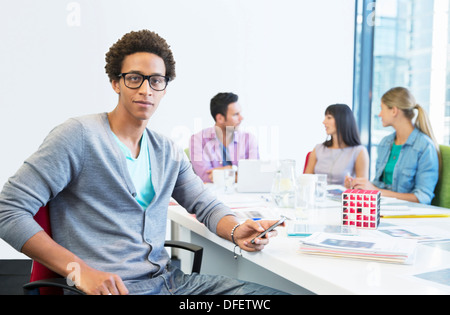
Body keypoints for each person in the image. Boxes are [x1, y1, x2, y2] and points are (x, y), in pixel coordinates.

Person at [0, 30, 286, 295]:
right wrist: (80, 271)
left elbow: (206, 205)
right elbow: (8, 210)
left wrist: (237, 229)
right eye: (134, 78)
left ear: (164, 88)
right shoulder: (78, 136)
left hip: (170, 283)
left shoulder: (167, 150)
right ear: (116, 82)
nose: (146, 89)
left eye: (156, 80)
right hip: (110, 289)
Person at [346, 87, 440, 204]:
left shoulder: (425, 146)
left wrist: (375, 191)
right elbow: (378, 185)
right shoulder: (385, 142)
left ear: (394, 111)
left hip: (409, 215)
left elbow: (422, 197)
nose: (379, 114)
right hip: (384, 208)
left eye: (382, 109)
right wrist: (359, 185)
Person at [189, 92, 259, 183]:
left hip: (244, 194)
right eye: (235, 114)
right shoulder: (197, 140)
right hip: (213, 194)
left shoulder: (249, 139)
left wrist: (229, 169)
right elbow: (206, 177)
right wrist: (237, 172)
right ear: (220, 118)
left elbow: (253, 174)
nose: (241, 118)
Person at [304, 104, 369, 185]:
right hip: (318, 196)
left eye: (329, 117)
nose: (324, 122)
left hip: (343, 196)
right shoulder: (318, 148)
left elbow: (362, 188)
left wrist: (350, 186)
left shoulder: (359, 151)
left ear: (342, 120)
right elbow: (305, 181)